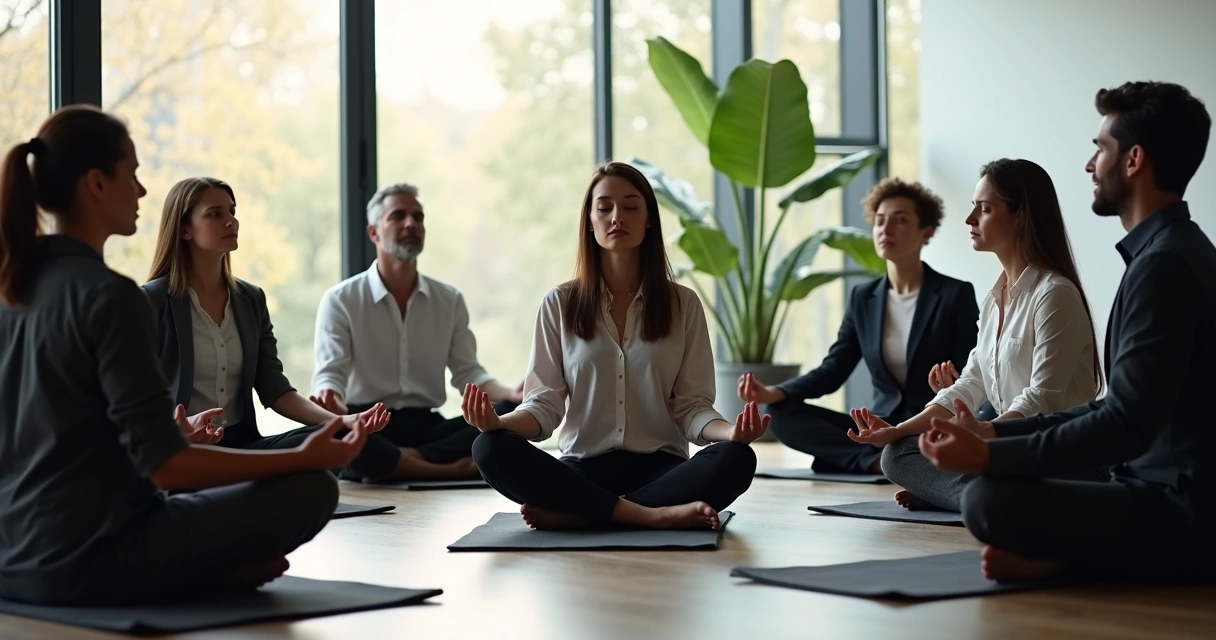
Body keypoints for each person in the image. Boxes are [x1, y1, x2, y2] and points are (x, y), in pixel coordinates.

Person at [0, 106, 369, 606]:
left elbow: (62, 433)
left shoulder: (13, 288)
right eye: (132, 174)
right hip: (88, 558)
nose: (142, 191)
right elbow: (165, 470)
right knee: (312, 489)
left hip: (13, 556)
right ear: (97, 184)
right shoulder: (114, 296)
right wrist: (300, 458)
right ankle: (205, 573)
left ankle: (212, 568)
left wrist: (175, 433)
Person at [918, 81, 1216, 583]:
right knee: (986, 490)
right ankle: (1073, 558)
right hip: (1154, 488)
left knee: (989, 499)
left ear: (1133, 160)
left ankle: (1084, 562)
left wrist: (992, 451)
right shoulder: (1169, 253)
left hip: (1179, 506)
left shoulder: (1165, 265)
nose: (1088, 164)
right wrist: (991, 431)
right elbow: (1114, 406)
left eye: (1100, 148)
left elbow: (1124, 424)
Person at [463, 161, 765, 531]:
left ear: (649, 219)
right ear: (589, 222)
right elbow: (544, 405)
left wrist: (730, 432)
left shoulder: (683, 304)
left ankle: (584, 514)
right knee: (488, 448)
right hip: (582, 470)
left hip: (661, 470)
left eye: (631, 206)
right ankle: (649, 516)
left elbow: (691, 407)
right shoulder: (559, 303)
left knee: (737, 458)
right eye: (604, 208)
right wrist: (498, 423)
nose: (616, 216)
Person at [849, 159, 1104, 511]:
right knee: (898, 452)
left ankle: (967, 494)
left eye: (984, 209)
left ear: (1020, 216)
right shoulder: (994, 299)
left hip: (1055, 458)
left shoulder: (1055, 294)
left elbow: (1040, 399)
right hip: (1006, 453)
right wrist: (897, 429)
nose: (970, 220)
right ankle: (973, 495)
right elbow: (970, 384)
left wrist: (980, 437)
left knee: (960, 462)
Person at [143, 177, 394, 480]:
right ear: (184, 229)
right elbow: (138, 401)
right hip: (187, 452)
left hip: (244, 447)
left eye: (232, 212)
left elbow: (276, 391)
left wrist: (345, 421)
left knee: (333, 437)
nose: (231, 221)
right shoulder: (151, 301)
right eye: (215, 214)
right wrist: (179, 426)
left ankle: (241, 490)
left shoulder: (251, 300)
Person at [736, 178, 981, 475]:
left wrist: (947, 385)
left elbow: (971, 371)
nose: (885, 229)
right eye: (880, 221)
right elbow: (834, 369)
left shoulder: (955, 294)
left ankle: (876, 458)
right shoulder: (863, 298)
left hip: (929, 422)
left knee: (936, 436)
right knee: (780, 415)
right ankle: (875, 462)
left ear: (925, 233)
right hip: (878, 425)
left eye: (900, 220)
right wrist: (776, 392)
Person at [311, 183, 523, 481]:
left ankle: (402, 463)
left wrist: (512, 393)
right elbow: (330, 373)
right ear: (374, 232)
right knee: (343, 435)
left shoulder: (449, 300)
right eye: (398, 216)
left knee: (512, 413)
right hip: (370, 421)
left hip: (427, 427)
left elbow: (468, 374)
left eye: (418, 217)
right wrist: (328, 395)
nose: (411, 223)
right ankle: (447, 471)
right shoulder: (340, 300)